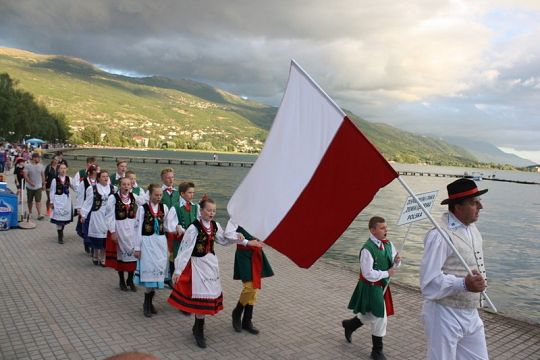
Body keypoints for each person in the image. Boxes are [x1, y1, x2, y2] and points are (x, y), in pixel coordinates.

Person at [167, 197, 261, 348]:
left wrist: (239, 238)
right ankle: (199, 330)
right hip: (197, 265)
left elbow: (223, 240)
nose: (212, 213)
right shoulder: (194, 228)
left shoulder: (215, 226)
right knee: (201, 298)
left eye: (214, 211)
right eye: (209, 210)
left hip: (210, 265)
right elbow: (185, 249)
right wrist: (178, 270)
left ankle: (198, 327)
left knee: (209, 295)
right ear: (201, 210)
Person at [420, 178, 489, 360]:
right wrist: (464, 284)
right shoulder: (439, 235)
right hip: (443, 312)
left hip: (470, 311)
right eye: (474, 203)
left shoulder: (472, 229)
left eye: (479, 201)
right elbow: (428, 284)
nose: (480, 207)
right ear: (458, 207)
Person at [342, 216, 400, 360]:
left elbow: (394, 264)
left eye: (386, 227)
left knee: (371, 314)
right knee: (380, 317)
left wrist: (397, 262)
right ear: (373, 230)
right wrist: (387, 273)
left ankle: (350, 325)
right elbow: (367, 274)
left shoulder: (388, 244)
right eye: (382, 228)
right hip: (370, 287)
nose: (386, 230)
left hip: (381, 285)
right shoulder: (367, 249)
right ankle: (377, 352)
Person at [133, 184, 180, 318]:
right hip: (147, 242)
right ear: (150, 195)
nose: (159, 197)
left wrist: (177, 228)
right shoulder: (142, 209)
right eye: (156, 195)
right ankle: (146, 304)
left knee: (157, 273)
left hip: (160, 243)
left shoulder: (164, 208)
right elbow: (137, 229)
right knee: (149, 275)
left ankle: (150, 302)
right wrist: (137, 247)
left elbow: (167, 225)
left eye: (160, 195)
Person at [225, 220, 274, 335]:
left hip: (257, 252)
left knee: (254, 289)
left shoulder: (258, 215)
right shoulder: (235, 216)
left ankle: (247, 321)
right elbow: (227, 234)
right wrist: (241, 237)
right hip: (243, 254)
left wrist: (264, 238)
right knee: (250, 287)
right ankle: (237, 312)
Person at [106, 177, 139, 292]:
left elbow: (145, 203)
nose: (126, 186)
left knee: (133, 255)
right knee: (120, 256)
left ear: (131, 186)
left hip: (132, 230)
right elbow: (109, 215)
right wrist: (112, 231)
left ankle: (130, 279)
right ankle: (121, 279)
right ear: (120, 185)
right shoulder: (113, 198)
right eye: (124, 184)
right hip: (119, 229)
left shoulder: (134, 197)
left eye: (128, 184)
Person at [80, 170, 115, 266]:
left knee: (105, 238)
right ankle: (95, 254)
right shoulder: (93, 189)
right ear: (99, 178)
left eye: (107, 176)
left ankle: (103, 257)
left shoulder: (112, 189)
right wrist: (84, 215)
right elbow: (88, 203)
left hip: (108, 216)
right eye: (103, 176)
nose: (106, 178)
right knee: (97, 238)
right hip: (97, 215)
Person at [159, 167, 180, 287]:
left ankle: (170, 277)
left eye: (172, 177)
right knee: (162, 253)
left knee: (173, 253)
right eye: (168, 177)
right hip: (162, 227)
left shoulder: (177, 193)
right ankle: (161, 275)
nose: (171, 179)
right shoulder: (159, 192)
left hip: (173, 229)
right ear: (162, 178)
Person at [49, 163, 76, 244]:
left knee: (64, 219)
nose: (63, 170)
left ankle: (61, 231)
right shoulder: (55, 180)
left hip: (66, 202)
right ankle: (60, 236)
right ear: (58, 170)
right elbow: (52, 191)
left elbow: (75, 188)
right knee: (59, 219)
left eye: (64, 168)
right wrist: (51, 202)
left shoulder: (69, 179)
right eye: (61, 168)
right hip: (58, 201)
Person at [76, 165, 98, 254]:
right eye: (95, 171)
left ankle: (93, 246)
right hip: (86, 207)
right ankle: (87, 242)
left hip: (96, 207)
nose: (97, 172)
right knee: (85, 227)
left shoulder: (98, 182)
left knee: (94, 227)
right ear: (91, 172)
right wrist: (79, 208)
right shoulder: (84, 182)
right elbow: (80, 195)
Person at [23, 153, 46, 220]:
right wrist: (30, 182)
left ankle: (39, 214)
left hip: (38, 187)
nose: (38, 159)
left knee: (38, 200)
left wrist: (43, 184)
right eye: (37, 158)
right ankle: (30, 213)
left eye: (39, 158)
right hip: (29, 187)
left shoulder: (41, 166)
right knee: (30, 201)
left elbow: (43, 176)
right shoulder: (27, 166)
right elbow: (25, 175)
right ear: (33, 158)